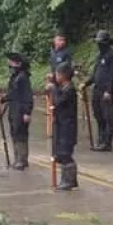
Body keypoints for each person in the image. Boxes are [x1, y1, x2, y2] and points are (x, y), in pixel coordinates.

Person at [48, 62, 79, 191]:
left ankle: (70, 180)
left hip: (67, 126)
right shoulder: (62, 88)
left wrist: (53, 89)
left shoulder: (69, 89)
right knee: (60, 152)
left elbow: (58, 102)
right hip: (61, 125)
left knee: (66, 153)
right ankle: (67, 179)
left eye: (57, 74)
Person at [85, 31, 113, 151]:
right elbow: (95, 74)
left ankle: (107, 142)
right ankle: (101, 138)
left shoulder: (112, 56)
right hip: (97, 89)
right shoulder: (99, 56)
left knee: (108, 117)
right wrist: (86, 83)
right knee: (98, 115)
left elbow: (112, 75)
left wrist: (109, 91)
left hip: (105, 91)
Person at [3, 51, 32, 170]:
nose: (9, 64)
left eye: (12, 61)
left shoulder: (23, 78)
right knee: (14, 133)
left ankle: (22, 159)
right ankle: (17, 158)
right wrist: (3, 101)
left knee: (21, 134)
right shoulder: (15, 77)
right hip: (13, 108)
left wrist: (27, 112)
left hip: (20, 109)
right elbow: (12, 93)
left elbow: (27, 96)